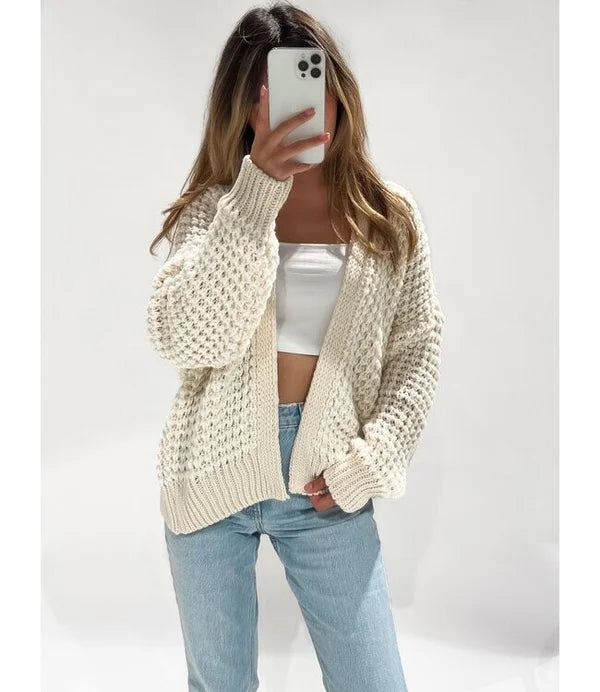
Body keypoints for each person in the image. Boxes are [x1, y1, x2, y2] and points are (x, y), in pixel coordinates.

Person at [146, 3, 445, 691]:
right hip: (210, 473)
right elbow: (188, 337)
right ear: (244, 109)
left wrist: (369, 463)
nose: (300, 109)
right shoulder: (214, 210)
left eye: (311, 85)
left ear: (336, 91)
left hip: (326, 479)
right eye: (272, 95)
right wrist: (255, 195)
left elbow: (416, 353)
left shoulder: (387, 217)